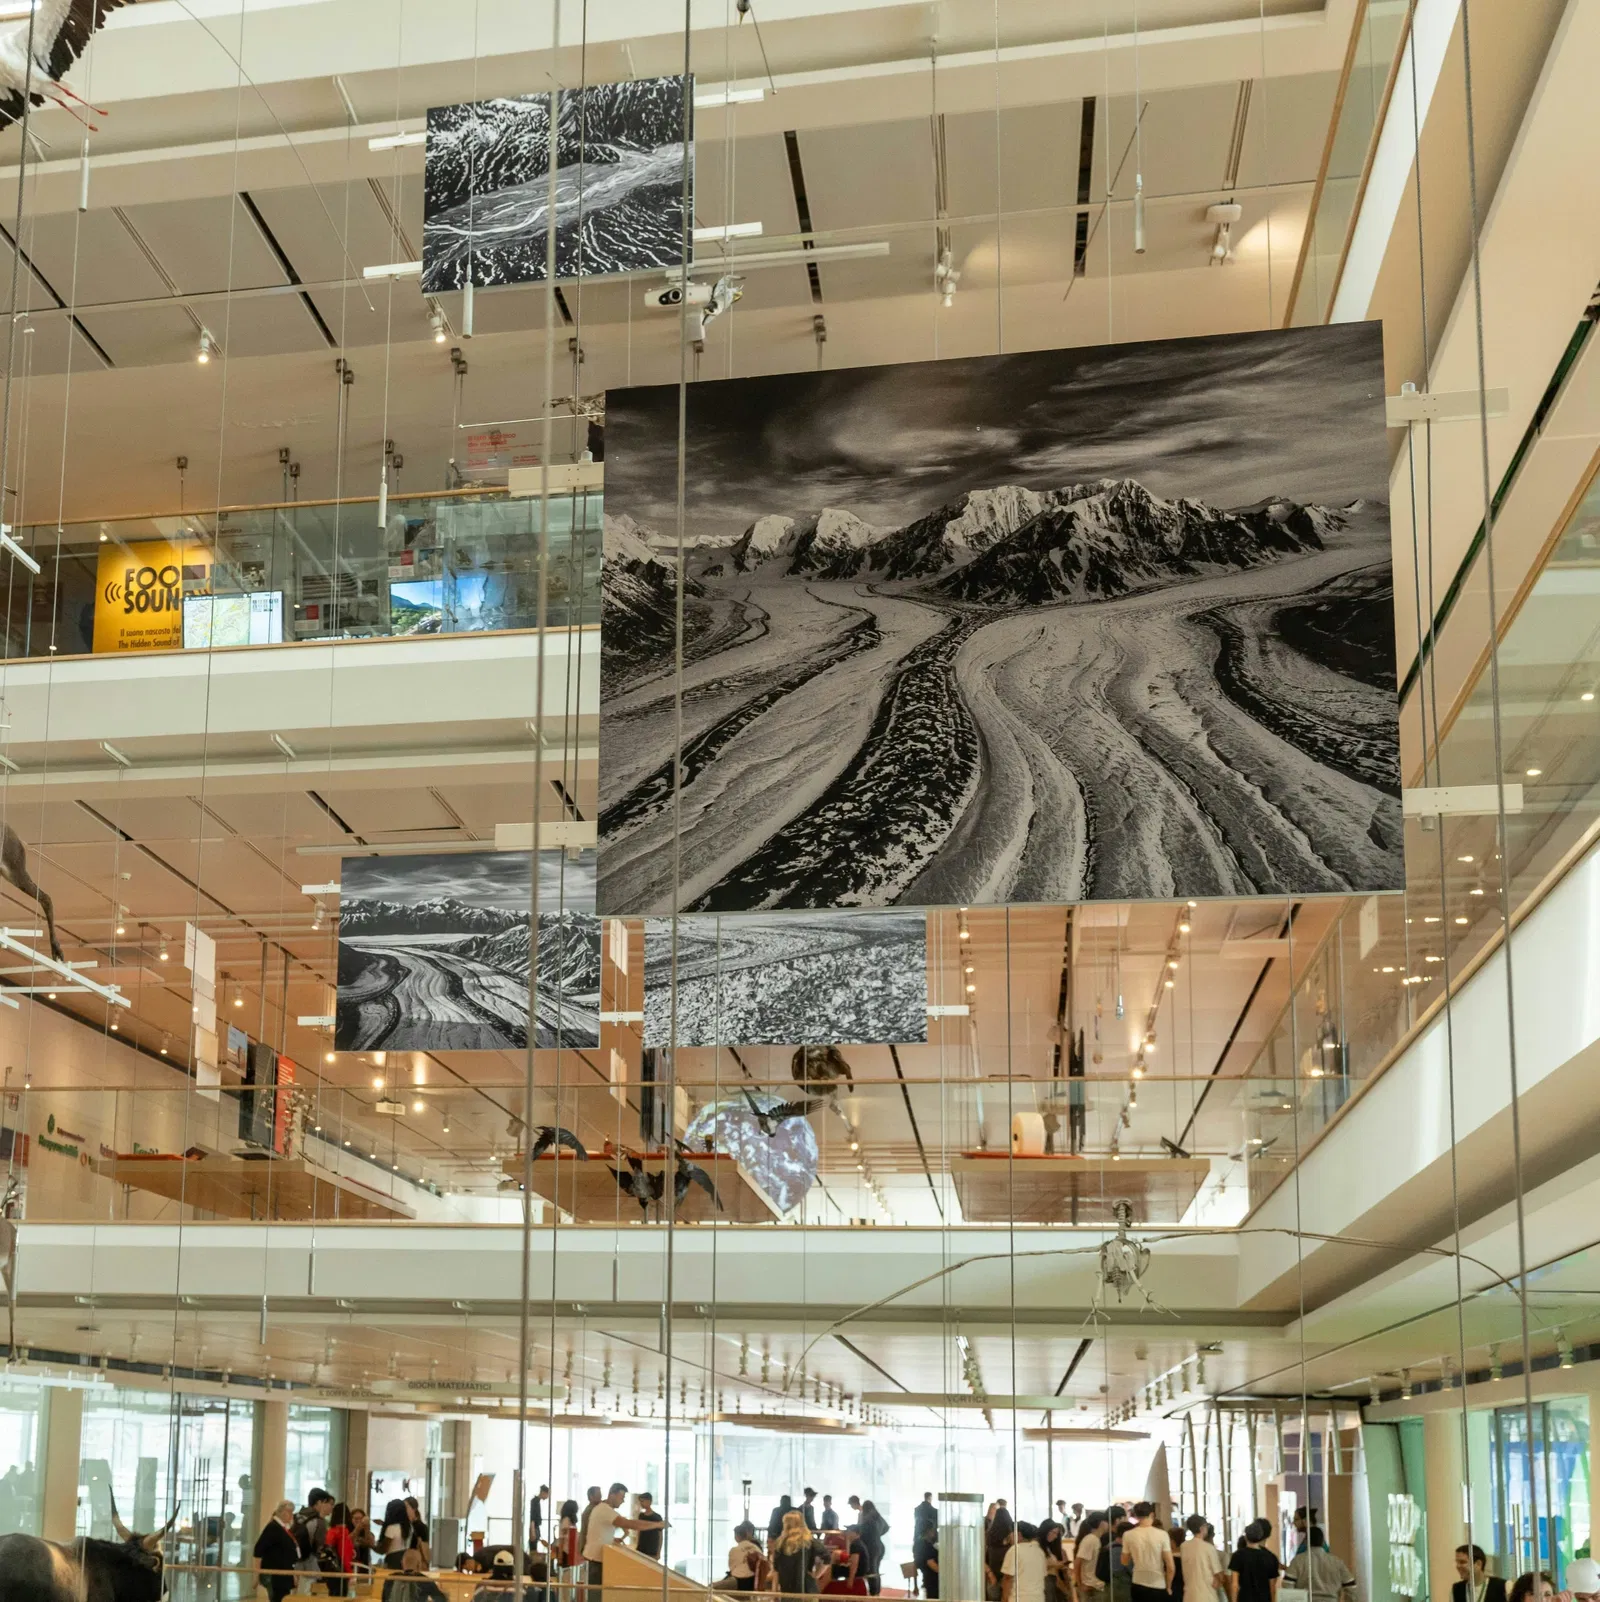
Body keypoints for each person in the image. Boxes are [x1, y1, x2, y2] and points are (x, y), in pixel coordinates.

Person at [584, 1481, 656, 1590]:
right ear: (612, 1494)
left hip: (598, 1561)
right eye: (621, 1497)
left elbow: (598, 1533)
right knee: (596, 1595)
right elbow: (630, 1524)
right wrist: (656, 1525)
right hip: (597, 1562)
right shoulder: (605, 1510)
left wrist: (611, 1539)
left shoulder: (603, 1509)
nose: (623, 1501)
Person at [1284, 1528, 1353, 1602]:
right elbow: (1351, 1586)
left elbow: (1287, 1585)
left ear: (1306, 1541)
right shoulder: (1337, 1562)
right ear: (1323, 1542)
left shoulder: (1297, 1561)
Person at [1122, 1504, 1173, 1602]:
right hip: (1158, 1583)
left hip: (1137, 1582)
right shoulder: (1162, 1535)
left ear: (1136, 1516)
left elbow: (1124, 1561)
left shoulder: (1128, 1535)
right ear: (1152, 1514)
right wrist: (1169, 1586)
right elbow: (1170, 1566)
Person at [772, 1510, 830, 1596]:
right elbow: (827, 1558)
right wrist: (816, 1575)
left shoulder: (780, 1544)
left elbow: (776, 1570)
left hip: (786, 1589)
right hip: (807, 1589)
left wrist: (774, 1591)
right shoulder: (809, 1541)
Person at [255, 1500, 301, 1602]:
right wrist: (257, 1574)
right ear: (283, 1512)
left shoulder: (283, 1528)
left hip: (283, 1575)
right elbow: (258, 1550)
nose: (291, 1515)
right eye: (289, 1512)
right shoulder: (273, 1528)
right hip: (275, 1576)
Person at [1227, 1521, 1280, 1602]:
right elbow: (1272, 1587)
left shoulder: (1238, 1555)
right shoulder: (1271, 1557)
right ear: (1261, 1537)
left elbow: (1235, 1584)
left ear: (1246, 1537)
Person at [1181, 1518, 1226, 1602]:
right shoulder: (1209, 1548)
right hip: (1207, 1596)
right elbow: (1218, 1573)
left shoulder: (1184, 1546)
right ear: (1202, 1528)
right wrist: (1220, 1581)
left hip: (1189, 1596)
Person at [1003, 1524, 1048, 1602]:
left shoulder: (1014, 1550)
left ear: (1018, 1534)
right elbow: (1043, 1575)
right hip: (1038, 1598)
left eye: (1011, 1533)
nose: (1009, 1537)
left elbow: (1008, 1578)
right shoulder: (1039, 1551)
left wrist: (1004, 1598)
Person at [324, 1503, 358, 1598]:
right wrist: (350, 1574)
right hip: (341, 1571)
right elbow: (344, 1555)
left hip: (331, 1570)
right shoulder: (342, 1532)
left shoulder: (331, 1531)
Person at [858, 1501, 889, 1598]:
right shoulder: (878, 1517)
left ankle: (873, 1592)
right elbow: (886, 1527)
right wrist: (878, 1535)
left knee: (872, 1570)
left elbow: (861, 1532)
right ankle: (876, 1592)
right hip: (879, 1546)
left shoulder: (867, 1519)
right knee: (876, 1570)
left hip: (871, 1548)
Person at [729, 1521, 766, 1592]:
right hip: (754, 1580)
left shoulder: (734, 1550)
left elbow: (732, 1568)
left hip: (739, 1580)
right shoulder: (756, 1547)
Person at [1077, 1514, 1107, 1597]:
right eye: (1106, 1521)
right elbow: (1078, 1561)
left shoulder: (1096, 1539)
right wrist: (1079, 1584)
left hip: (1095, 1585)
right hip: (1090, 1586)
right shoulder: (1090, 1539)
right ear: (1101, 1523)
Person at [634, 1493, 666, 1560]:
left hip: (652, 1549)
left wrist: (658, 1553)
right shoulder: (641, 1516)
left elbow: (660, 1536)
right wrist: (637, 1545)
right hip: (641, 1548)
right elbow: (639, 1531)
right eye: (640, 1501)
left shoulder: (657, 1517)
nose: (641, 1503)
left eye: (642, 1501)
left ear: (649, 1501)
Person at [914, 1524, 940, 1601]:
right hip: (934, 1580)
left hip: (928, 1579)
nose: (934, 1532)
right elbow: (931, 1562)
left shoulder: (919, 1544)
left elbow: (915, 1563)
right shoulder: (926, 1545)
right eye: (932, 1530)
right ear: (928, 1531)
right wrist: (945, 1575)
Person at [405, 1497, 432, 1567]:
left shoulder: (421, 1527)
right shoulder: (406, 1525)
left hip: (415, 1564)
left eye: (406, 1507)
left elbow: (424, 1549)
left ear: (414, 1509)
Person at [555, 1499, 581, 1572]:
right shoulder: (566, 1520)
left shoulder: (570, 1521)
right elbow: (562, 1538)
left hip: (569, 1549)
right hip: (565, 1550)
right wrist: (560, 1555)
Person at [578, 1486, 603, 1557]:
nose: (601, 1497)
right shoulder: (591, 1510)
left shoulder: (595, 1509)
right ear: (591, 1496)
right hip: (588, 1546)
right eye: (598, 1494)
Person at [530, 1485, 551, 1553]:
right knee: (533, 1547)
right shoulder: (535, 1502)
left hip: (536, 1527)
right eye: (547, 1494)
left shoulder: (537, 1501)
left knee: (535, 1544)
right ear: (543, 1492)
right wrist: (532, 1531)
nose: (547, 1497)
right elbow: (532, 1517)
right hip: (534, 1527)